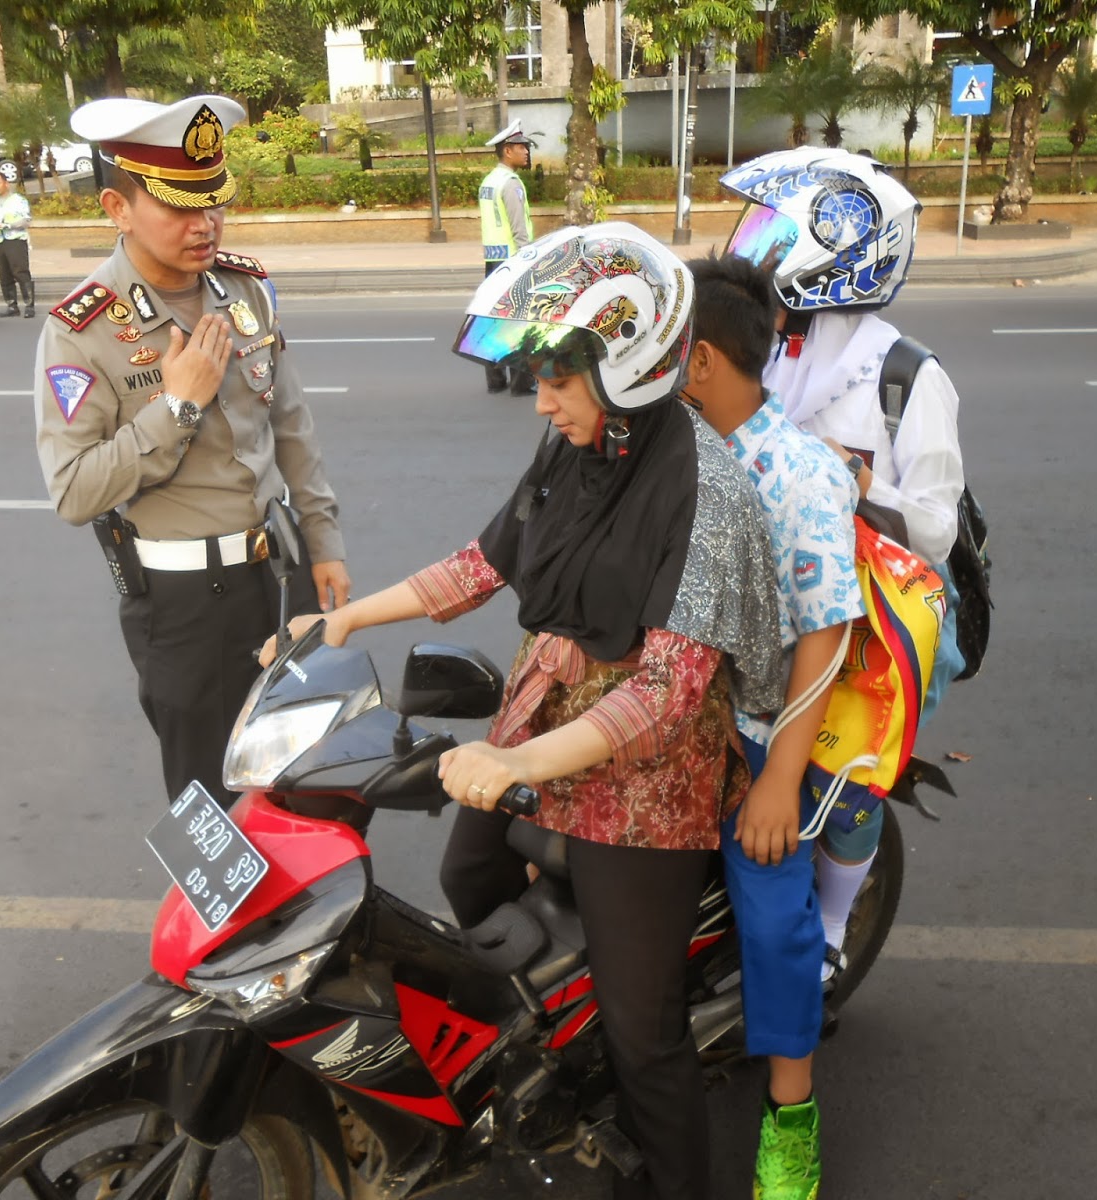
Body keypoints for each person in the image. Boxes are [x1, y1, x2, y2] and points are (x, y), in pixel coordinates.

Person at [262, 223, 783, 1200]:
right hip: (550, 706)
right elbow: (484, 562)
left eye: (557, 378)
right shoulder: (570, 449)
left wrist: (515, 770)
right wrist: (344, 620)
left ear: (627, 368)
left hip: (649, 764)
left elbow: (668, 690)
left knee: (644, 1028)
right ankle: (548, 1055)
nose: (540, 399)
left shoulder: (706, 487)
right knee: (469, 874)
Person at [34, 93, 349, 810]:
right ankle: (231, 929)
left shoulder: (244, 288)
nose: (204, 223)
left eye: (214, 200)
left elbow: (291, 423)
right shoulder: (82, 330)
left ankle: (318, 923)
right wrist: (176, 408)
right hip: (185, 608)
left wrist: (324, 540)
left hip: (283, 573)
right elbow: (73, 491)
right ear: (117, 208)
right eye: (178, 206)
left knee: (313, 780)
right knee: (213, 804)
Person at [719, 146, 966, 982]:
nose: (757, 242)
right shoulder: (769, 349)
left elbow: (935, 529)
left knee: (848, 780)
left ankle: (829, 926)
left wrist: (853, 479)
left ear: (841, 249)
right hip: (765, 595)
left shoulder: (906, 379)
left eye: (776, 230)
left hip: (867, 616)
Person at [683, 252, 862, 1200]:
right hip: (676, 715)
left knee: (775, 914)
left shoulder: (795, 475)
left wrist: (780, 781)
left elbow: (825, 639)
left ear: (703, 358)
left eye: (665, 346)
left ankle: (791, 1115)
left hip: (759, 726)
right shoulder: (676, 447)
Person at [477, 120, 537, 395]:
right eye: (521, 147)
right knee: (520, 321)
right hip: (514, 261)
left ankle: (495, 380)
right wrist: (530, 262)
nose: (526, 151)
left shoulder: (489, 181)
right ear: (508, 150)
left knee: (495, 319)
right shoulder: (511, 184)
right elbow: (519, 229)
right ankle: (521, 383)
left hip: (493, 260)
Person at [0, 170, 36, 317]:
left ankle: (29, 304)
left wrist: (8, 225)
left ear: (6, 183)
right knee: (4, 274)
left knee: (20, 271)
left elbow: (26, 220)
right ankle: (11, 305)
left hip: (15, 239)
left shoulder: (18, 200)